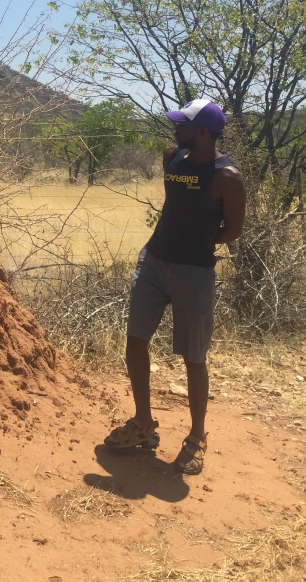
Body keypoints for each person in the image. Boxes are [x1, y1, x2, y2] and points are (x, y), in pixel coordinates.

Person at [104, 98, 246, 475]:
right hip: (154, 261)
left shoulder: (226, 176)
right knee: (136, 339)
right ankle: (143, 424)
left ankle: (197, 436)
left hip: (194, 271)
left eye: (183, 124)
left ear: (203, 132)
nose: (175, 128)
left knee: (194, 356)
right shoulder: (172, 158)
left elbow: (232, 229)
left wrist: (198, 242)